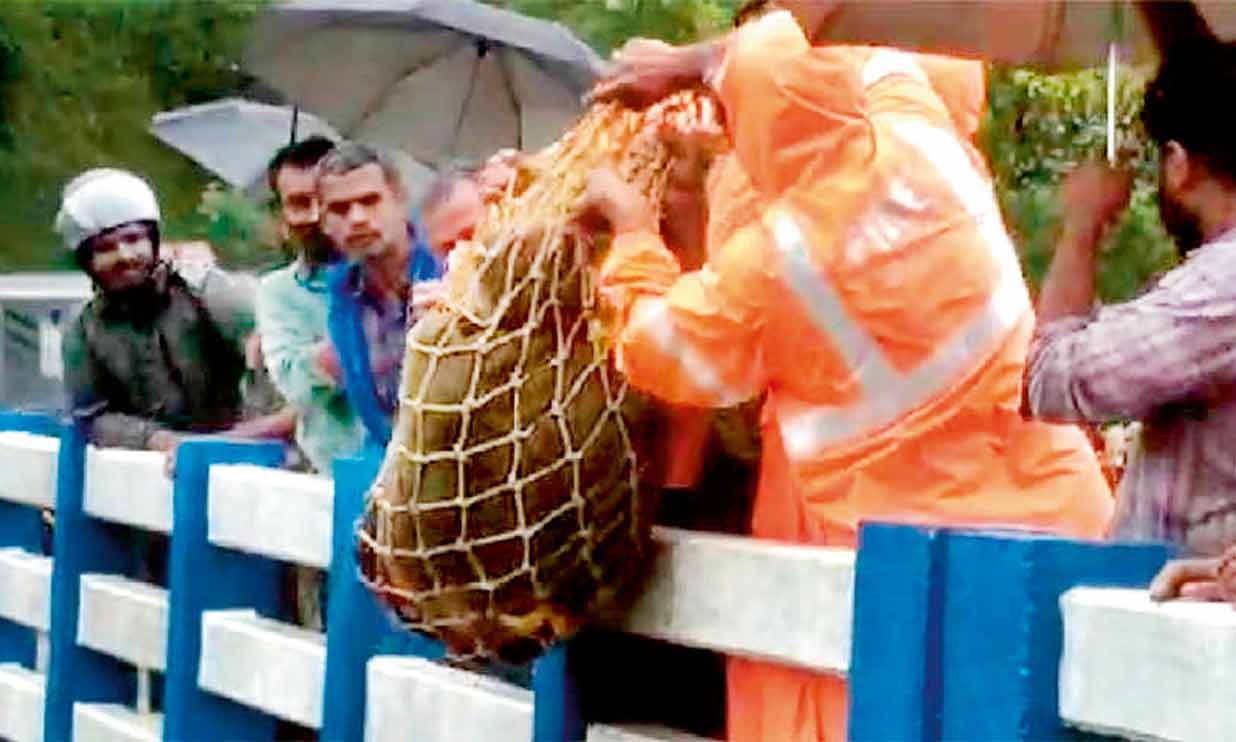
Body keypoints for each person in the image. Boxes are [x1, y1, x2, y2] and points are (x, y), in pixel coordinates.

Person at [584, 9, 1113, 741]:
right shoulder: (919, 134)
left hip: (923, 579)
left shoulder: (774, 262)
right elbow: (897, 54)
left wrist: (634, 232)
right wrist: (699, 62)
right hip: (1059, 515)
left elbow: (660, 346)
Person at [1024, 39, 1236, 558]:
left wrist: (1082, 225)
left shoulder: (1223, 286)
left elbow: (1051, 381)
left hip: (1197, 623)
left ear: (1179, 164)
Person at [57, 168, 292, 461]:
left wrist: (224, 443)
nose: (125, 255)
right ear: (86, 260)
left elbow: (284, 378)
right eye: (105, 248)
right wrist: (158, 440)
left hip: (252, 459)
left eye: (133, 239)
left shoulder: (213, 292)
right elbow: (91, 416)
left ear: (153, 239)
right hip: (153, 473)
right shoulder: (85, 329)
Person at [319, 144, 446, 446]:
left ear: (400, 201)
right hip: (396, 470)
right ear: (324, 222)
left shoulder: (450, 267)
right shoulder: (342, 295)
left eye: (370, 201)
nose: (357, 218)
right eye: (340, 209)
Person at [257, 136, 366, 477]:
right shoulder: (278, 292)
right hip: (328, 478)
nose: (317, 216)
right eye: (300, 203)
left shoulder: (402, 270)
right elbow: (295, 385)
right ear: (283, 214)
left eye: (327, 200)